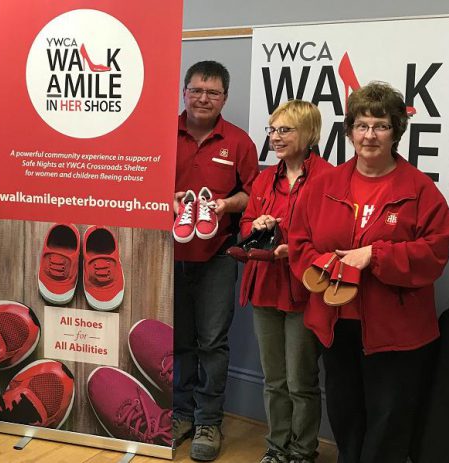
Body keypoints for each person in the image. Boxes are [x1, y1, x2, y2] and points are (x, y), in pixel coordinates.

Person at [288, 81, 449, 463]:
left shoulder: (420, 189)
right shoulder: (325, 185)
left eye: (381, 125)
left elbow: (434, 253)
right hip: (337, 322)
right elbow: (299, 244)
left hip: (396, 331)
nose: (369, 135)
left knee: (389, 423)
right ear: (349, 131)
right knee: (346, 417)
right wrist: (328, 264)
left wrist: (374, 255)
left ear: (396, 131)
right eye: (361, 125)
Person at [172, 60, 259, 461]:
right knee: (175, 340)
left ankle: (208, 419)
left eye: (213, 92)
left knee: (212, 342)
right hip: (166, 255)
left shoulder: (239, 143)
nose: (203, 98)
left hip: (216, 255)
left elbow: (252, 196)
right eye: (196, 90)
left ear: (225, 97)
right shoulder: (160, 135)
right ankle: (180, 414)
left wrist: (225, 205)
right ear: (184, 91)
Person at [240, 100, 332, 463]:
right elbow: (245, 226)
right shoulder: (265, 177)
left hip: (304, 290)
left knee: (300, 381)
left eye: (284, 130)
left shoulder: (329, 178)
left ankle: (302, 450)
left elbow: (332, 236)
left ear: (308, 133)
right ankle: (277, 447)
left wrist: (291, 244)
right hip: (265, 286)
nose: (275, 138)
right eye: (272, 130)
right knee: (274, 379)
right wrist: (258, 226)